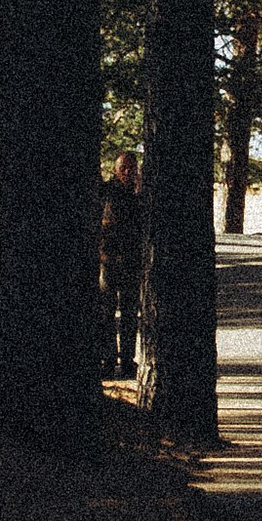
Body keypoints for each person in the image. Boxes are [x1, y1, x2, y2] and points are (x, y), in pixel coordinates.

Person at [98, 153, 143, 380]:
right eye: (123, 168)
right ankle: (107, 358)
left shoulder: (140, 195)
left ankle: (127, 359)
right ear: (116, 169)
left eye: (131, 168)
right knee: (105, 312)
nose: (127, 172)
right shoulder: (105, 192)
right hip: (107, 261)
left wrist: (139, 194)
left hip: (131, 263)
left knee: (129, 315)